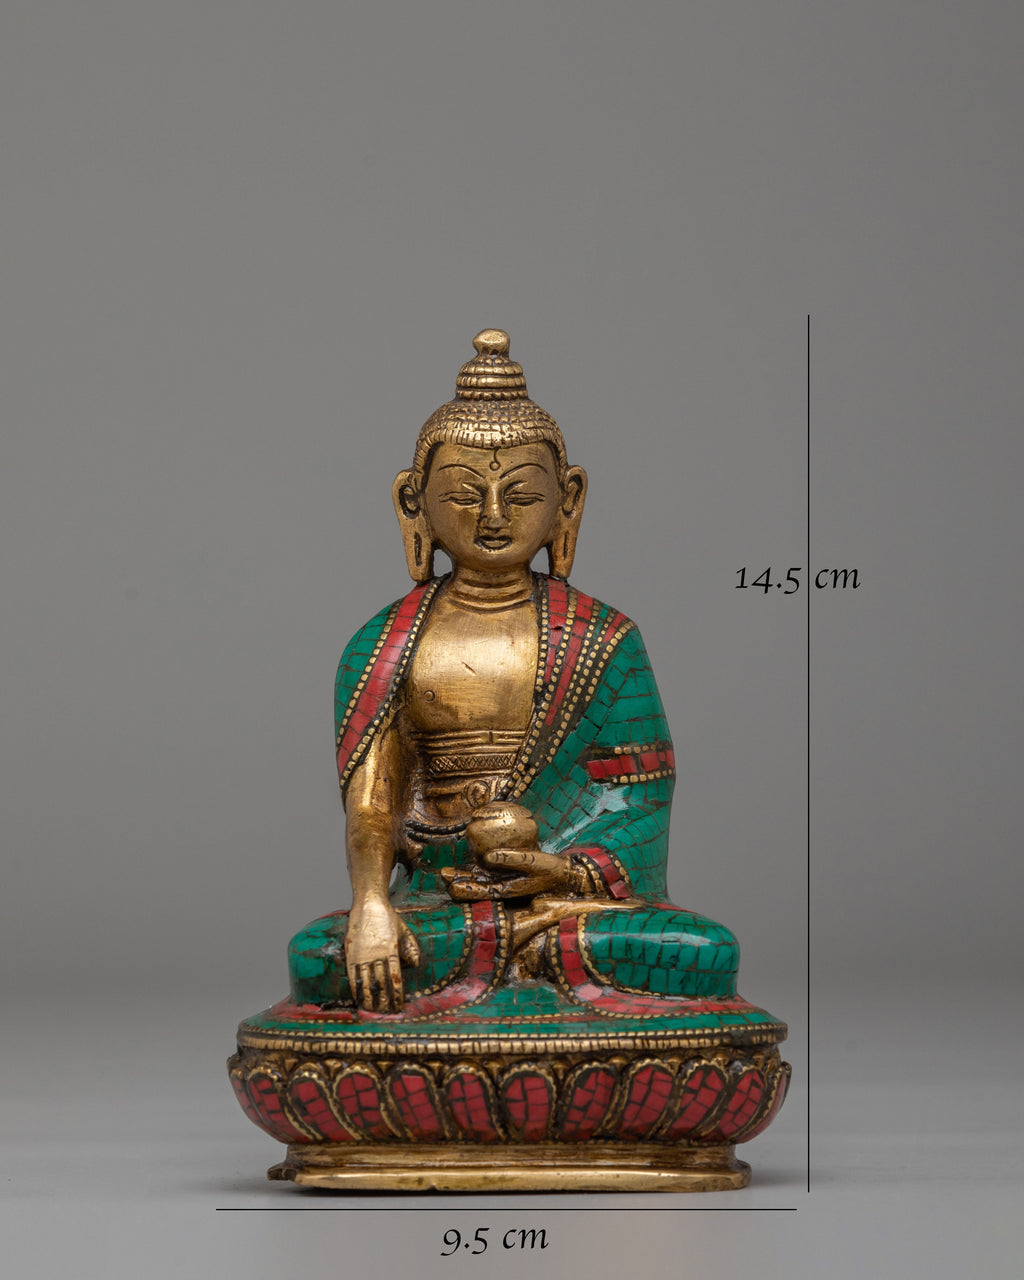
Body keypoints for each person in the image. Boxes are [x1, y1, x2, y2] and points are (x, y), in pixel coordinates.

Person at [288, 331, 739, 1015]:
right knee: (318, 957)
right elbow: (373, 807)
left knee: (703, 951)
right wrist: (373, 905)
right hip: (439, 898)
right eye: (464, 494)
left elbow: (641, 800)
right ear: (413, 502)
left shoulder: (602, 640)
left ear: (569, 499)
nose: (494, 517)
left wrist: (560, 870)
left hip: (564, 900)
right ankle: (516, 965)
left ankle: (520, 961)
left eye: (522, 494)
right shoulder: (382, 648)